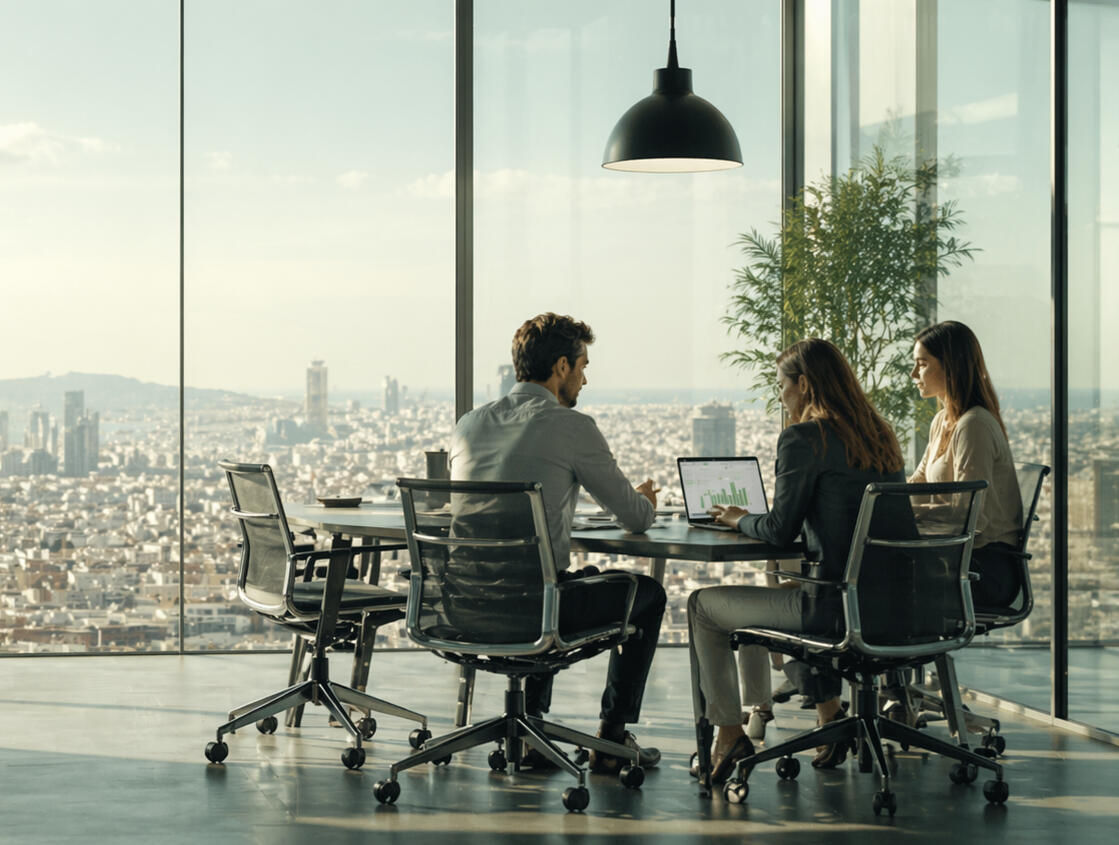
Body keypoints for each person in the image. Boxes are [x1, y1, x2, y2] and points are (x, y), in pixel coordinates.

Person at [450, 312, 666, 772]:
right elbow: (635, 517)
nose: (585, 379)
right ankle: (611, 737)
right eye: (583, 366)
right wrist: (645, 499)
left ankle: (530, 732)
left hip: (462, 606)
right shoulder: (572, 427)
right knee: (647, 595)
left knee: (570, 579)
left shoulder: (468, 425)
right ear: (562, 367)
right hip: (535, 612)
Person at [688, 338, 906, 780]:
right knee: (785, 592)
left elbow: (777, 530)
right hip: (899, 606)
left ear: (803, 385)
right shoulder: (879, 433)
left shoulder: (805, 438)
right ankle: (829, 716)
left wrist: (738, 518)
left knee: (703, 607)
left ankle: (729, 736)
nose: (780, 396)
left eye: (782, 386)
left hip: (834, 607)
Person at [910, 320, 1022, 608]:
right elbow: (919, 482)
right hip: (956, 559)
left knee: (872, 577)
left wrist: (904, 513)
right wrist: (882, 502)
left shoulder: (974, 425)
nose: (914, 374)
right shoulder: (942, 421)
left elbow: (971, 514)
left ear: (951, 365)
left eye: (922, 364)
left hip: (984, 569)